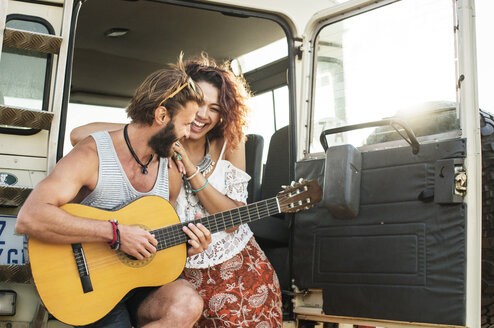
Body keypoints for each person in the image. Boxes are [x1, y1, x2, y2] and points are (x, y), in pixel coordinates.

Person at [70, 53, 283, 328]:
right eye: (197, 103)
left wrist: (191, 171)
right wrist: (148, 130)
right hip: (178, 269)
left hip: (240, 266)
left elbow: (234, 219)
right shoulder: (155, 137)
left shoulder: (229, 141)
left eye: (215, 108)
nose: (203, 115)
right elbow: (78, 134)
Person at [16, 61, 213, 328]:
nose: (189, 134)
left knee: (187, 304)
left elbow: (157, 233)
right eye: (186, 124)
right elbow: (30, 217)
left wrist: (187, 246)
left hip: (137, 282)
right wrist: (115, 234)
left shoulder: (171, 168)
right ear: (162, 116)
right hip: (86, 283)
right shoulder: (92, 154)